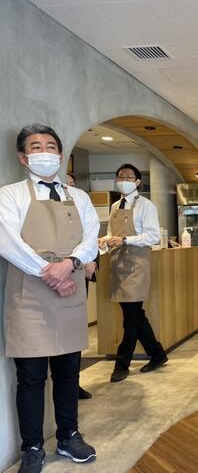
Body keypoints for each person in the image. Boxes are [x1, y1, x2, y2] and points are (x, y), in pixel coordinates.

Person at [0, 124, 99, 473]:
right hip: (29, 294)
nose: (45, 152)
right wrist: (50, 273)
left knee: (69, 372)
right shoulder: (9, 195)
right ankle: (32, 447)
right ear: (23, 157)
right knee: (30, 377)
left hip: (69, 289)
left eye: (50, 146)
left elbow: (91, 238)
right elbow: (7, 242)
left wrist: (68, 265)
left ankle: (69, 435)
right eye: (35, 146)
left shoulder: (80, 197)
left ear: (60, 154)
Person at [99, 164, 167, 383]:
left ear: (137, 182)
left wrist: (125, 240)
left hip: (136, 264)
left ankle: (122, 364)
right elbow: (112, 232)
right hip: (118, 263)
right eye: (120, 176)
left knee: (131, 316)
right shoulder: (114, 206)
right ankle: (157, 354)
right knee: (134, 314)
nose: (124, 180)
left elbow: (153, 236)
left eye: (129, 177)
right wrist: (105, 240)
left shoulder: (146, 206)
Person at [65, 173, 95, 400]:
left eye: (72, 184)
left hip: (77, 273)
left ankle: (73, 384)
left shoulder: (82, 202)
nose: (69, 188)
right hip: (43, 277)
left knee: (73, 331)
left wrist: (90, 259)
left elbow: (92, 236)